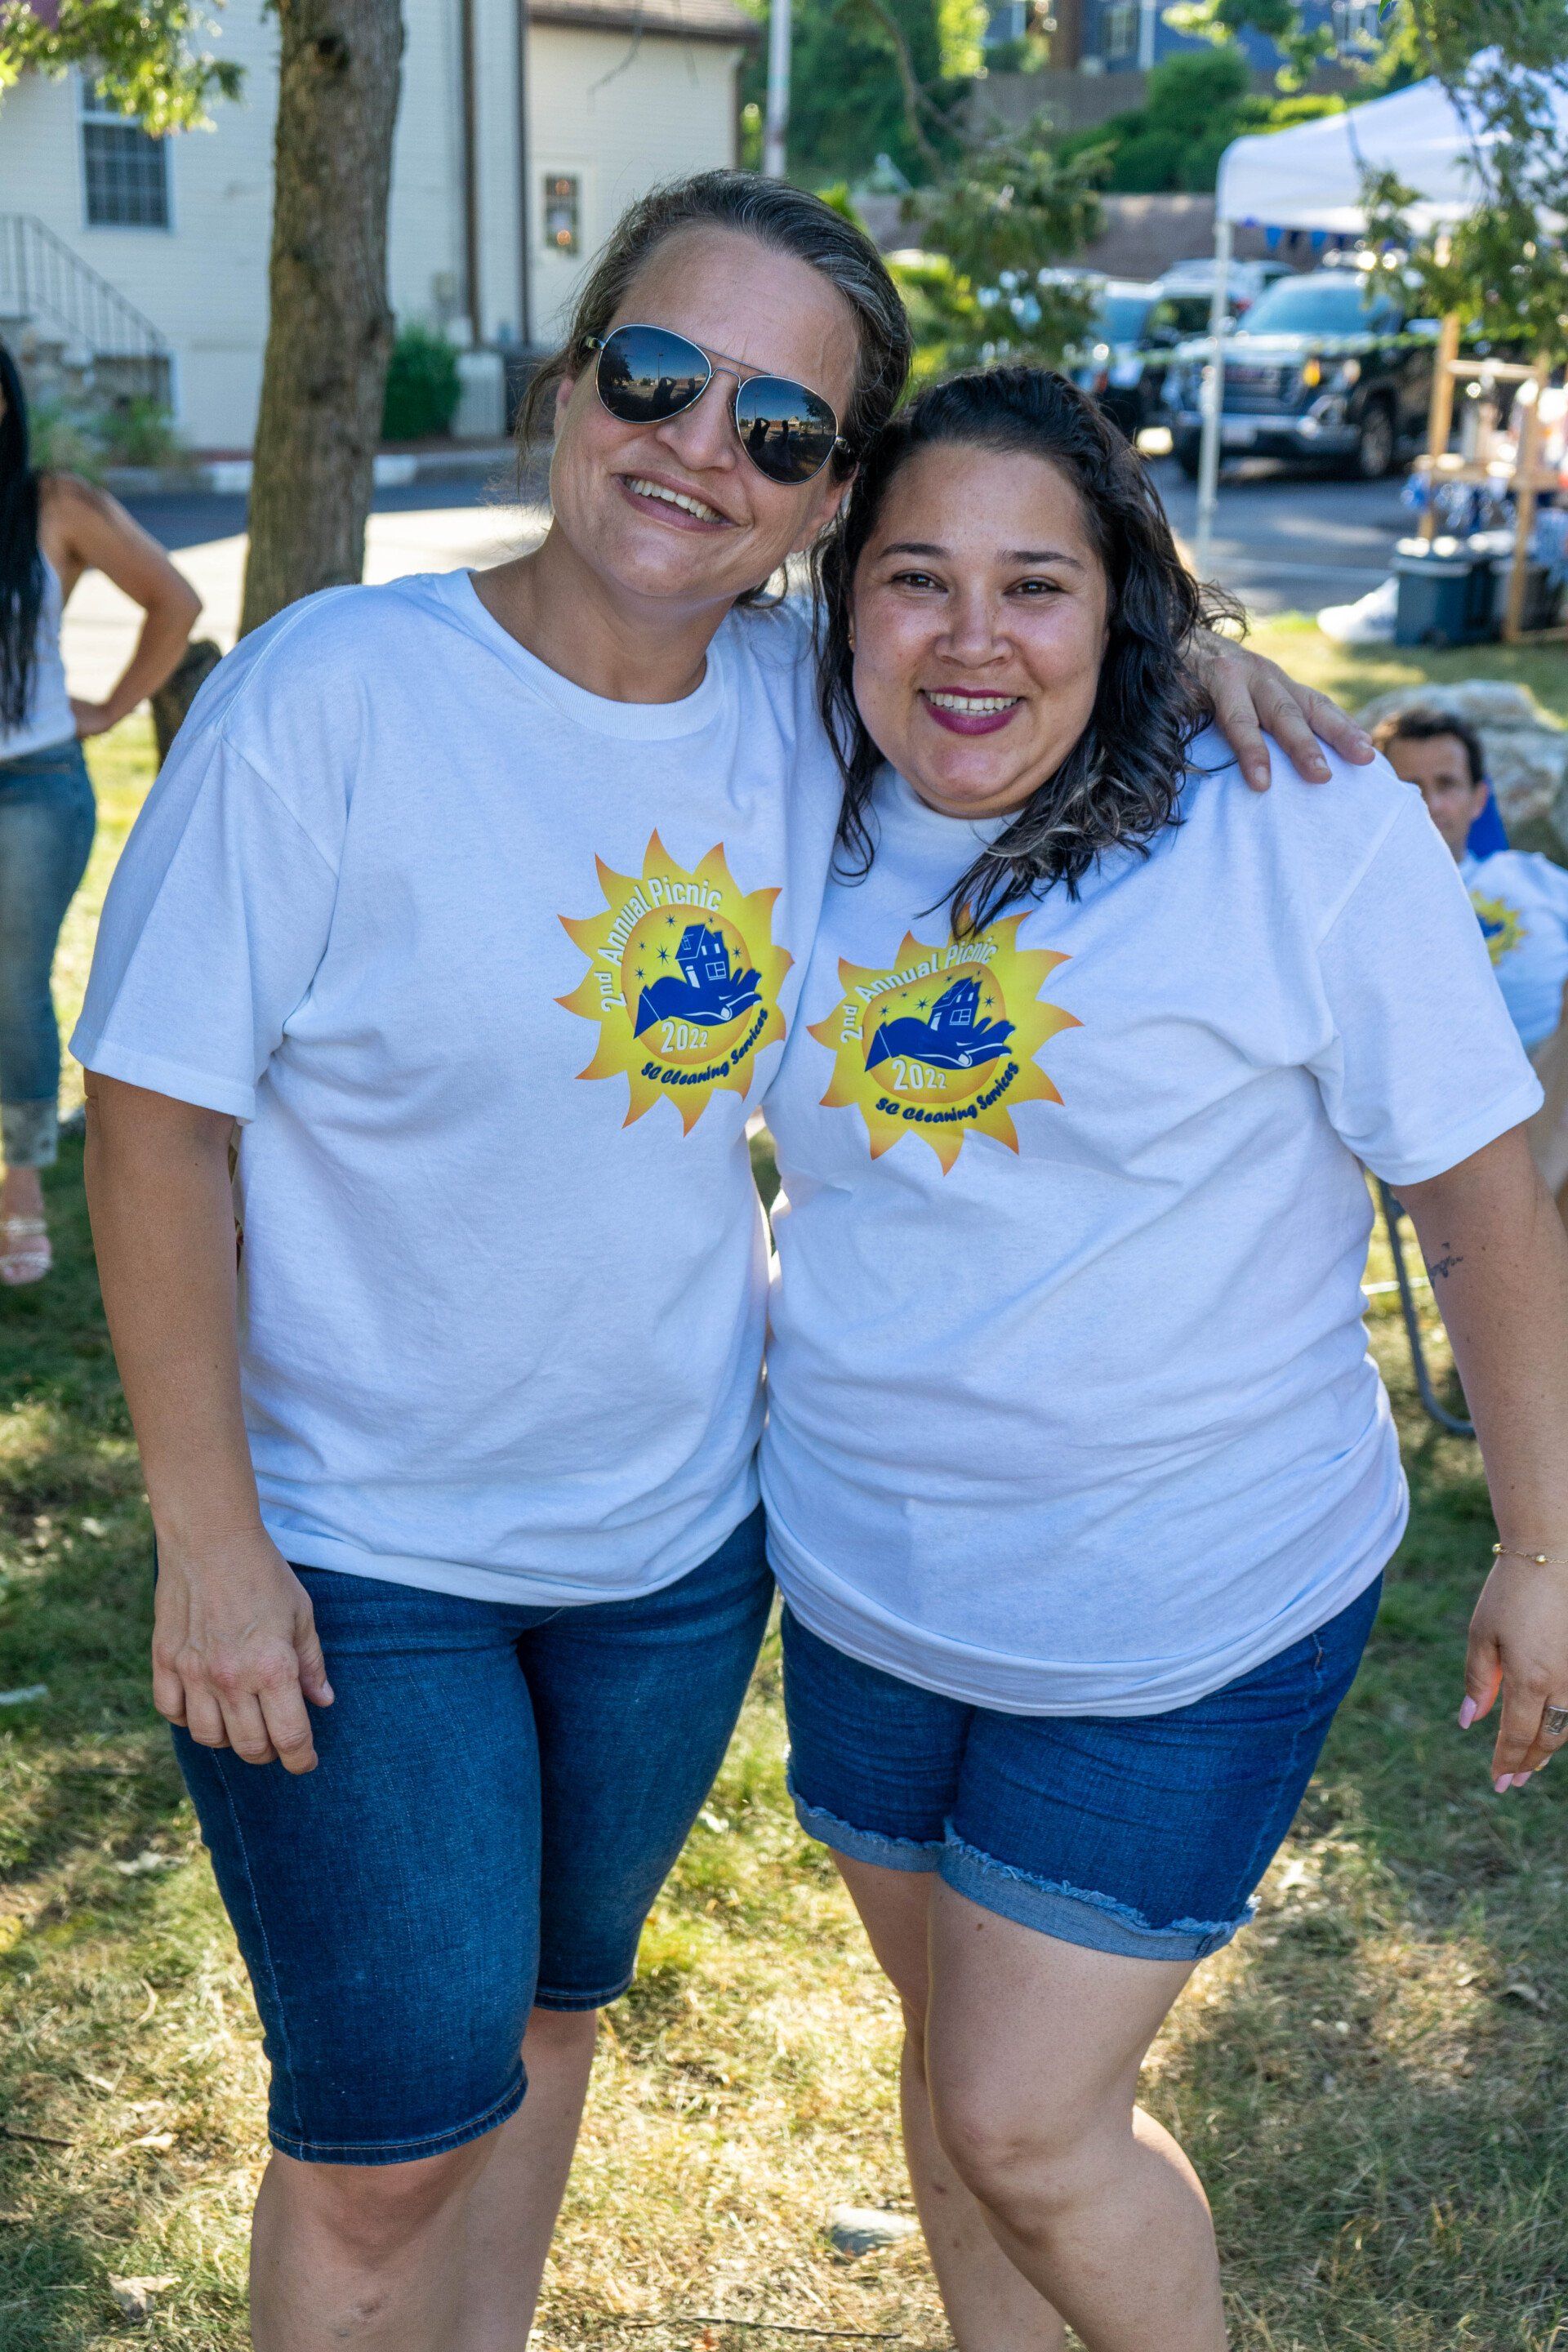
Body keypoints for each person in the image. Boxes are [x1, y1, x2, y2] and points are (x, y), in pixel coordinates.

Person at [74, 175, 1372, 2352]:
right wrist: (207, 1536)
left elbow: (1013, 659)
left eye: (783, 431)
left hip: (672, 1547)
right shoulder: (334, 693)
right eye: (664, 378)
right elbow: (156, 1118)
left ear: (826, 500)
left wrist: (1195, 650)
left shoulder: (813, 711)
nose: (703, 450)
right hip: (351, 1548)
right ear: (576, 378)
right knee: (384, 2143)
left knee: (557, 2035)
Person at [759, 368, 1568, 2352]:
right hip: (864, 1571)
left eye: (1037, 585)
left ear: (1122, 604)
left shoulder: (1299, 819)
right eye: (916, 579)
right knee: (960, 2074)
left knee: (1024, 2117)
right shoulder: (776, 771)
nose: (970, 639)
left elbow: (1477, 1191)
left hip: (1188, 1590)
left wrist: (1541, 1539)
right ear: (840, 591)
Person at [0, 341, 198, 1282]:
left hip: (29, 787)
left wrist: (112, 707)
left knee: (11, 984)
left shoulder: (53, 506)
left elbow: (174, 598)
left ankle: (22, 1187)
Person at [1375, 705, 1568, 1211]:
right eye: (1409, 788)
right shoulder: (1366, 906)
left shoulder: (1530, 876)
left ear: (1479, 798)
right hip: (1466, 1104)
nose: (1430, 804)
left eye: (1447, 784)